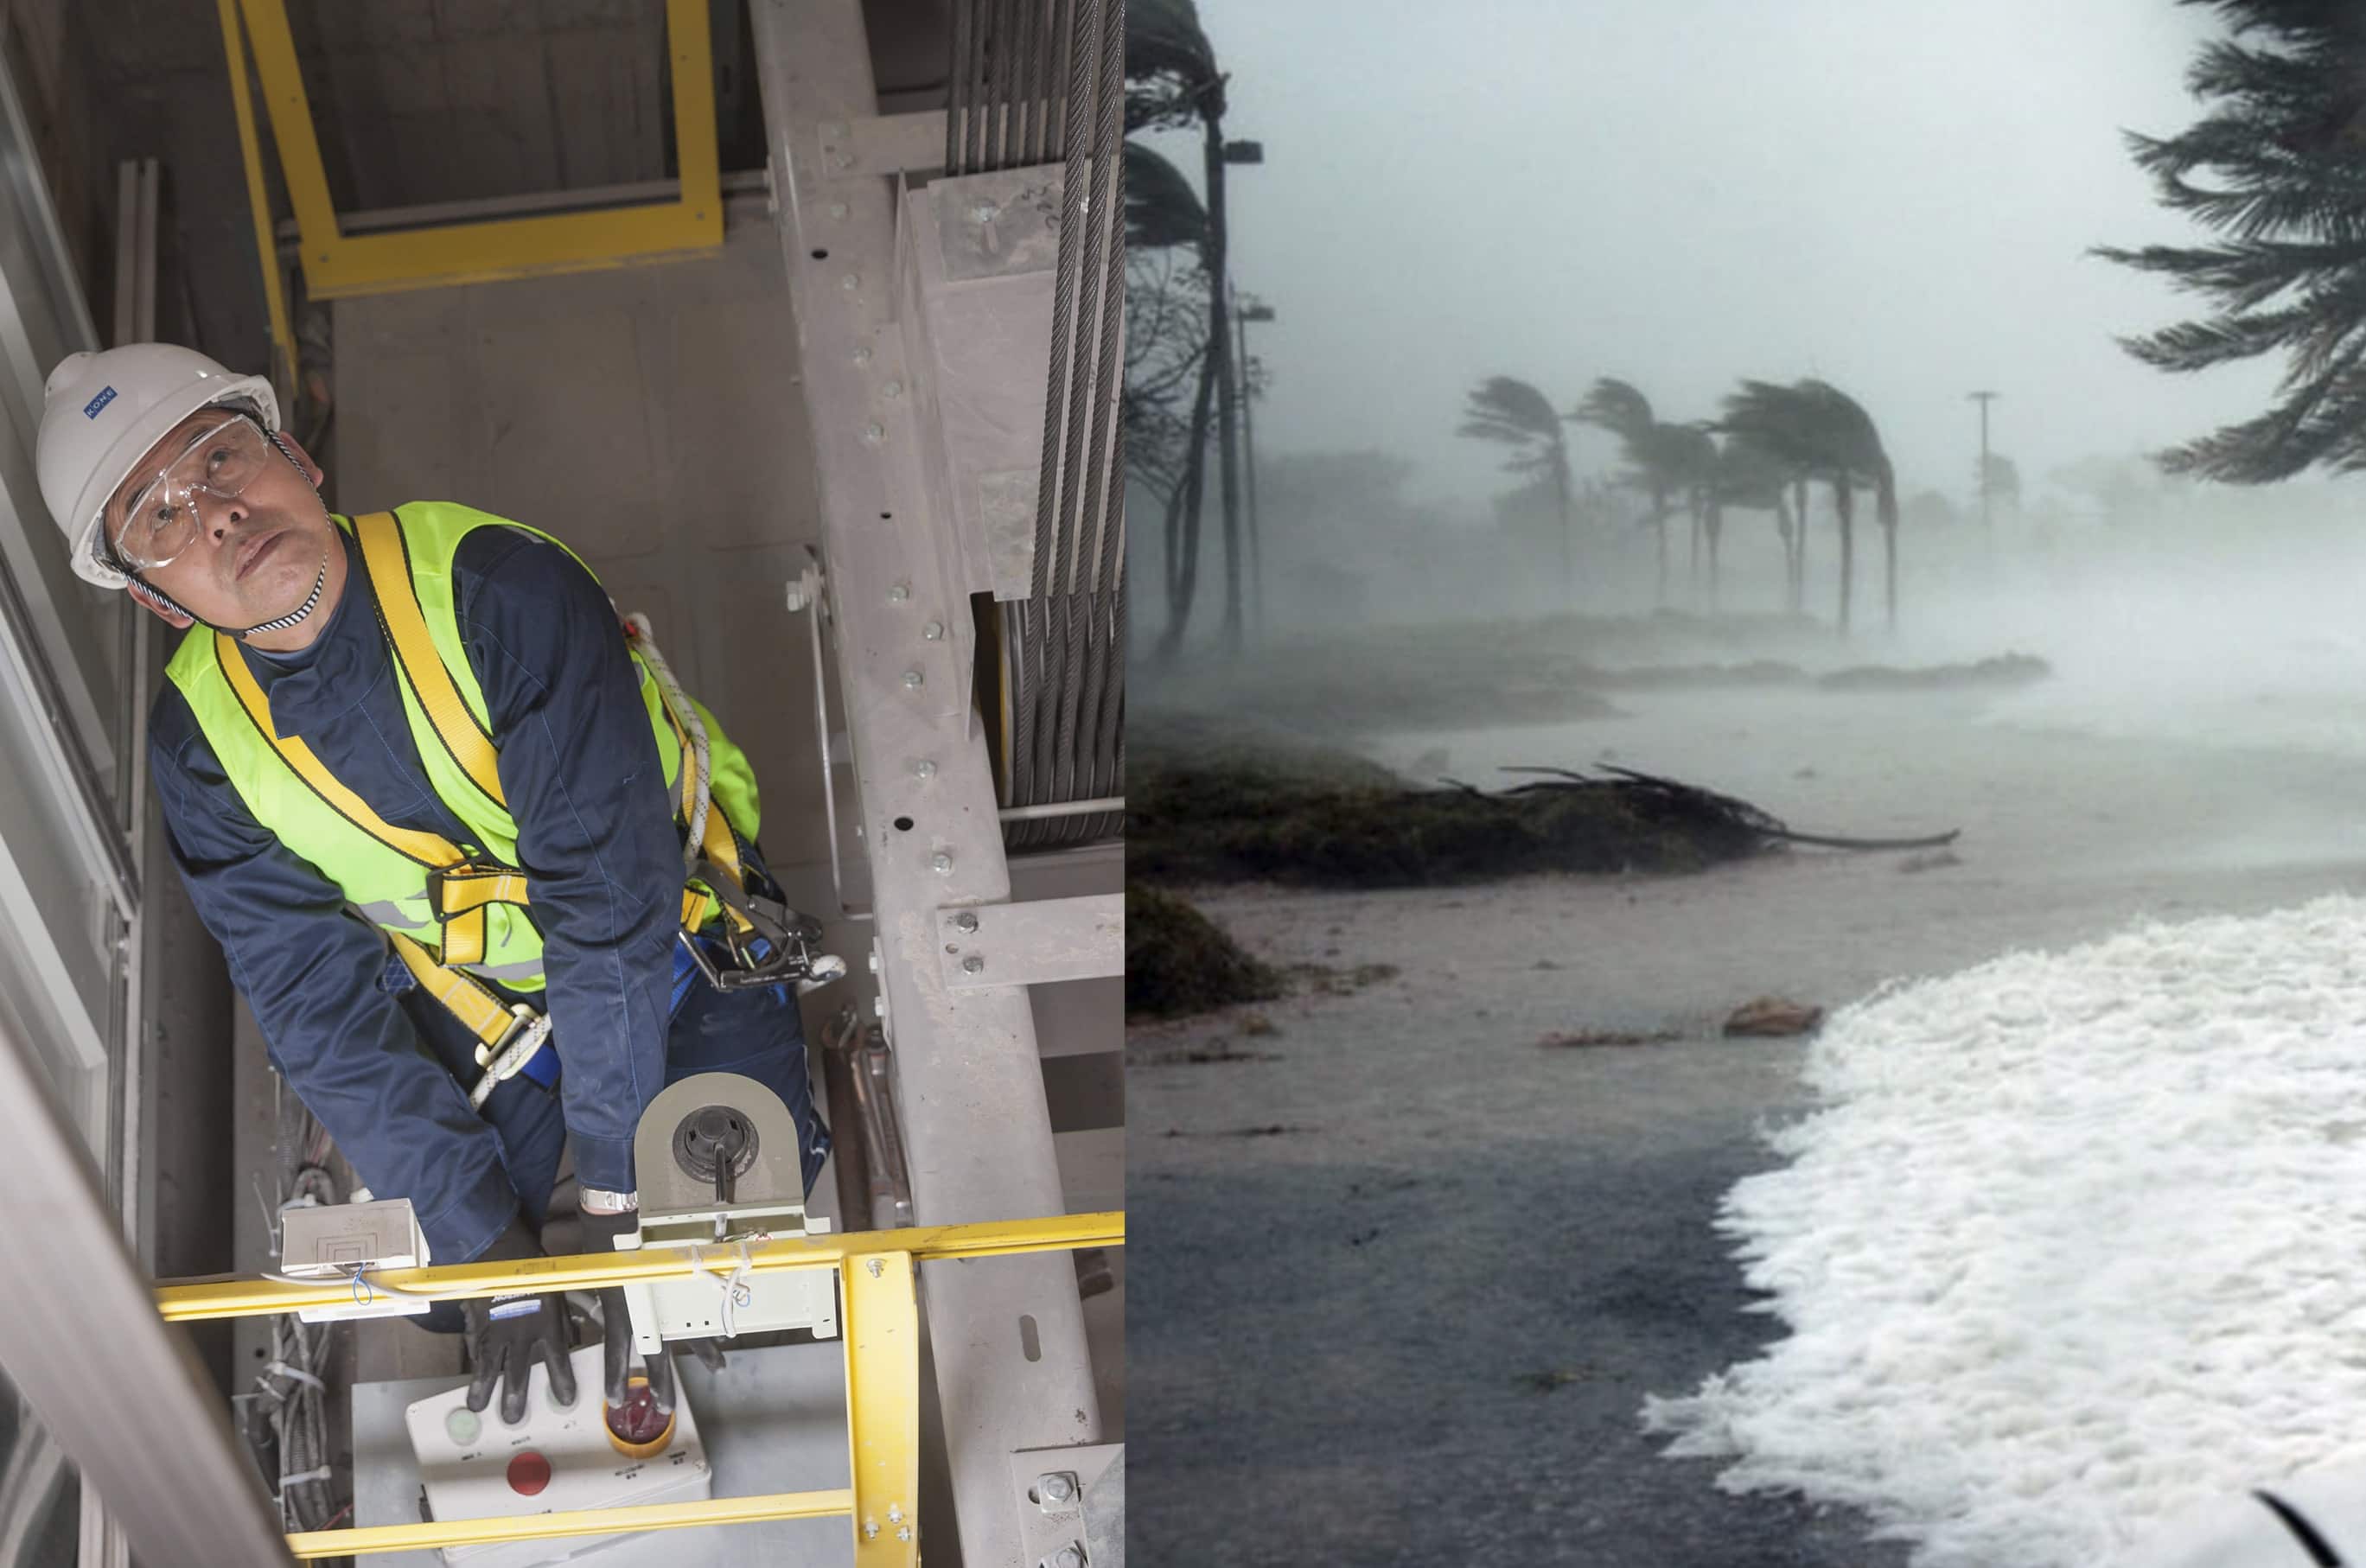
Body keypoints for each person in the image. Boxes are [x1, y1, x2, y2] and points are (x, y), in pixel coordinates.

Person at [36, 343, 829, 1424]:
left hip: (668, 940)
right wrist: (492, 1255)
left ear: (298, 462)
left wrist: (613, 1195)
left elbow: (605, 912)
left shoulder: (496, 587)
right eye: (159, 520)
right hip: (481, 1000)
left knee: (727, 1215)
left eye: (221, 456)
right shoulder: (198, 745)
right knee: (452, 1289)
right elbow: (316, 1009)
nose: (215, 512)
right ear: (155, 599)